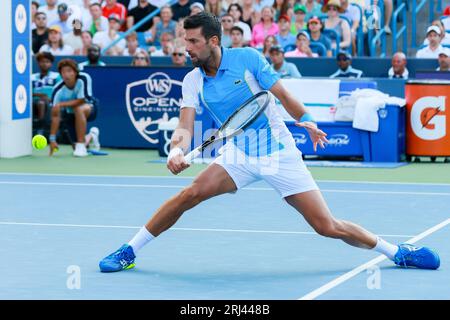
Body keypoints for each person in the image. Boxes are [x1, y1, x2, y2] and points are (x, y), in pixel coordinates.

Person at [98, 12, 440, 273]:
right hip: (239, 154)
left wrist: (304, 120)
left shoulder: (247, 59)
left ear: (214, 41)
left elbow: (284, 96)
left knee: (326, 226)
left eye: (193, 42)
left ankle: (397, 253)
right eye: (185, 41)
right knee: (188, 194)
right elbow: (185, 125)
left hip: (278, 153)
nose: (186, 48)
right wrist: (176, 149)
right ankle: (129, 250)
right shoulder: (192, 80)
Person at [50, 59, 98, 157]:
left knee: (79, 109)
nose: (66, 74)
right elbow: (55, 116)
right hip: (70, 116)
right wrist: (52, 139)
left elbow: (82, 100)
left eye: (69, 71)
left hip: (89, 108)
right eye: (63, 72)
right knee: (75, 148)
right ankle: (91, 135)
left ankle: (81, 145)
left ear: (75, 72)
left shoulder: (84, 78)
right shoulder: (57, 90)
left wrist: (61, 104)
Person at [32, 52, 61, 136]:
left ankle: (41, 128)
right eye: (42, 61)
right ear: (38, 63)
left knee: (42, 103)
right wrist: (40, 95)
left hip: (50, 102)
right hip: (33, 102)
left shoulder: (56, 76)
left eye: (47, 62)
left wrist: (49, 98)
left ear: (51, 64)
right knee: (40, 102)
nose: (44, 64)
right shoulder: (32, 77)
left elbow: (59, 92)